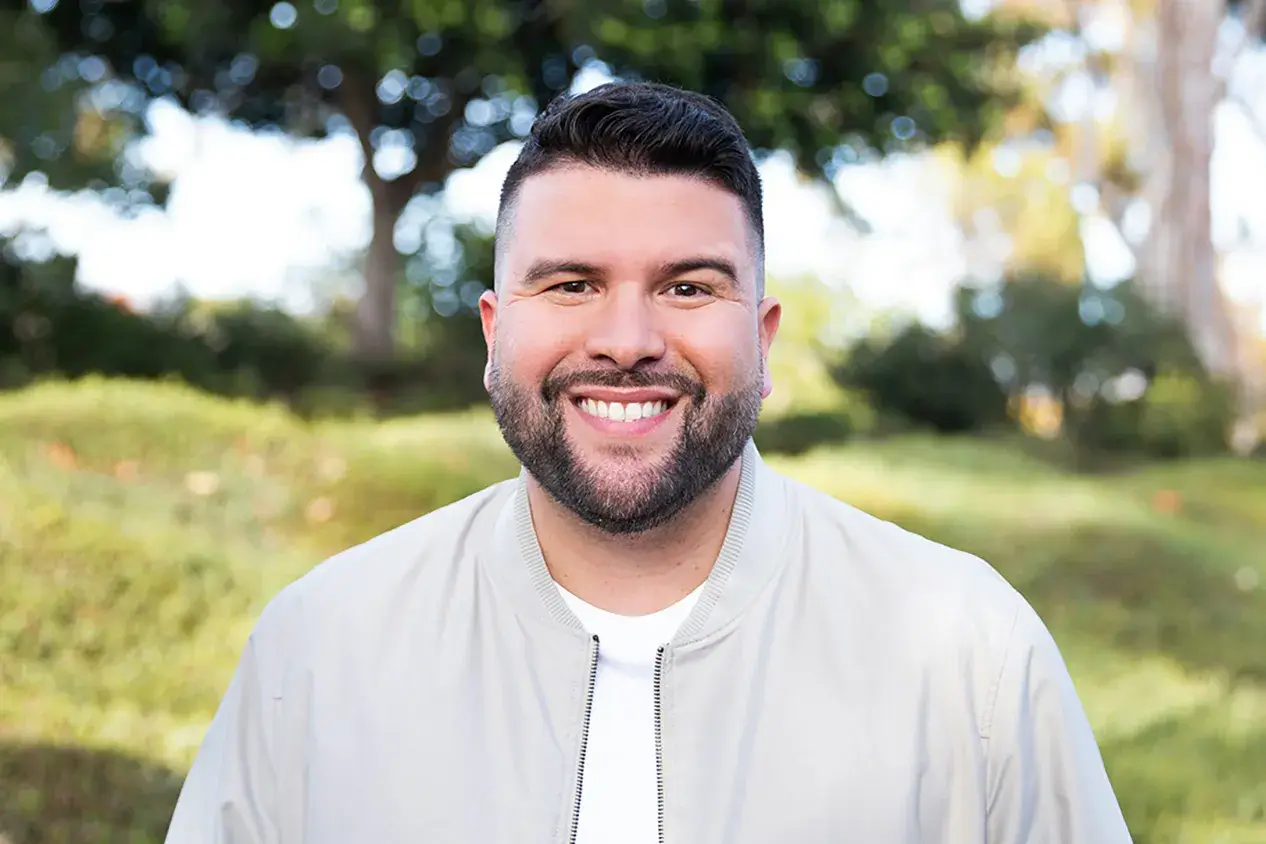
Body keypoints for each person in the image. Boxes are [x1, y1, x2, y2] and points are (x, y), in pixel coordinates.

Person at [164, 81, 1133, 844]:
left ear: (763, 338)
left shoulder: (969, 655)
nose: (627, 340)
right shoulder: (320, 650)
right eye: (571, 284)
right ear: (494, 334)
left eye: (688, 287)